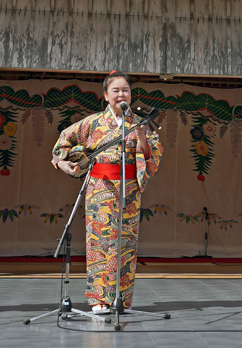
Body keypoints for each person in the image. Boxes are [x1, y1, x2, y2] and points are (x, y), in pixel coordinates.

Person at [51, 71, 162, 313]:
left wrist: (142, 137)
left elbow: (151, 155)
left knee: (126, 245)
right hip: (100, 187)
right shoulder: (92, 123)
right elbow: (63, 140)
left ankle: (122, 301)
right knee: (101, 243)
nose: (121, 94)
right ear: (105, 95)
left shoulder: (140, 123)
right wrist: (62, 163)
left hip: (130, 189)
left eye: (126, 90)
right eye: (116, 90)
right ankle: (99, 300)